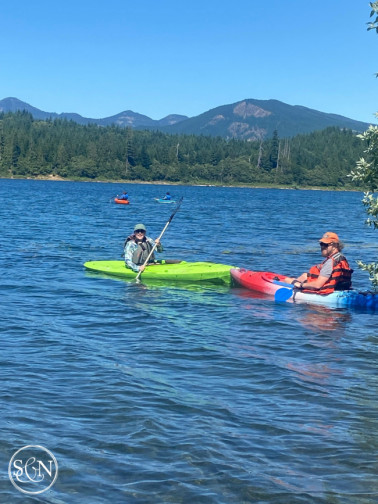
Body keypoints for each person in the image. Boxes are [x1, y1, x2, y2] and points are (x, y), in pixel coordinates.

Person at [283, 232, 353, 294]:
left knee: (287, 280)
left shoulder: (330, 262)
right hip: (339, 287)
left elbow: (317, 285)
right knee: (305, 275)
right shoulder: (341, 258)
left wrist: (300, 285)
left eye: (325, 245)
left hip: (327, 290)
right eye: (321, 244)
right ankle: (296, 281)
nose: (322, 247)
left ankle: (289, 285)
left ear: (334, 246)